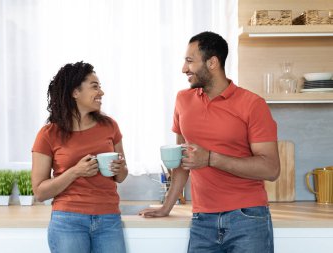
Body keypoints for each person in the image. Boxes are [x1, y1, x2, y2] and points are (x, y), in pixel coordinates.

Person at [140, 31, 280, 253]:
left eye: (189, 61)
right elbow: (181, 160)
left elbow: (271, 168)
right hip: (202, 219)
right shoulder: (183, 100)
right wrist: (167, 206)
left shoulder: (252, 104)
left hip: (248, 217)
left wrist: (211, 159)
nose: (183, 69)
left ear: (212, 62)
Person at [31, 61, 128, 253]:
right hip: (68, 221)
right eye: (95, 87)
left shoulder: (110, 126)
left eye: (100, 87)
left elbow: (121, 176)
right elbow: (40, 192)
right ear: (75, 92)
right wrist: (75, 172)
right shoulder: (48, 134)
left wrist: (120, 169)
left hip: (108, 218)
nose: (101, 93)